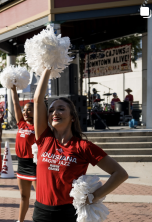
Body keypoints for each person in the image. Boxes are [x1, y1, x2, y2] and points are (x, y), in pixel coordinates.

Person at [33, 68, 128, 222]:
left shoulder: (83, 146)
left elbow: (120, 174)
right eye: (51, 110)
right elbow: (37, 100)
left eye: (61, 109)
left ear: (72, 117)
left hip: (68, 213)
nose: (54, 113)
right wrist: (47, 68)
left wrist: (94, 197)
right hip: (41, 211)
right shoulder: (44, 139)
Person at [11, 85, 36, 222]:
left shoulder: (38, 125)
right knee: (24, 196)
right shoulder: (21, 123)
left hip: (35, 164)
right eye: (24, 110)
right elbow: (15, 103)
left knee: (41, 198)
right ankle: (20, 221)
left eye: (29, 110)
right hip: (21, 163)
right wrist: (13, 89)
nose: (26, 112)